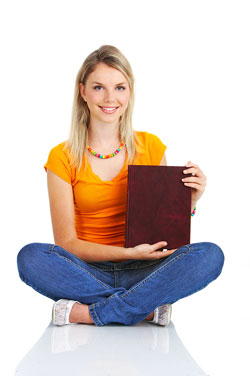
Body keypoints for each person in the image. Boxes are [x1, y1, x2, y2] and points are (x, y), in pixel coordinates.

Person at [17, 45, 224, 327]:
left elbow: (161, 232)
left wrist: (190, 202)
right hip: (87, 270)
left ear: (130, 92)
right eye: (99, 87)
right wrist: (127, 253)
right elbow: (66, 243)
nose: (110, 98)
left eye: (120, 88)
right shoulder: (61, 157)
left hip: (145, 268)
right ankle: (144, 308)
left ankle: (91, 312)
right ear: (83, 92)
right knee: (30, 258)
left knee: (210, 256)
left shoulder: (150, 146)